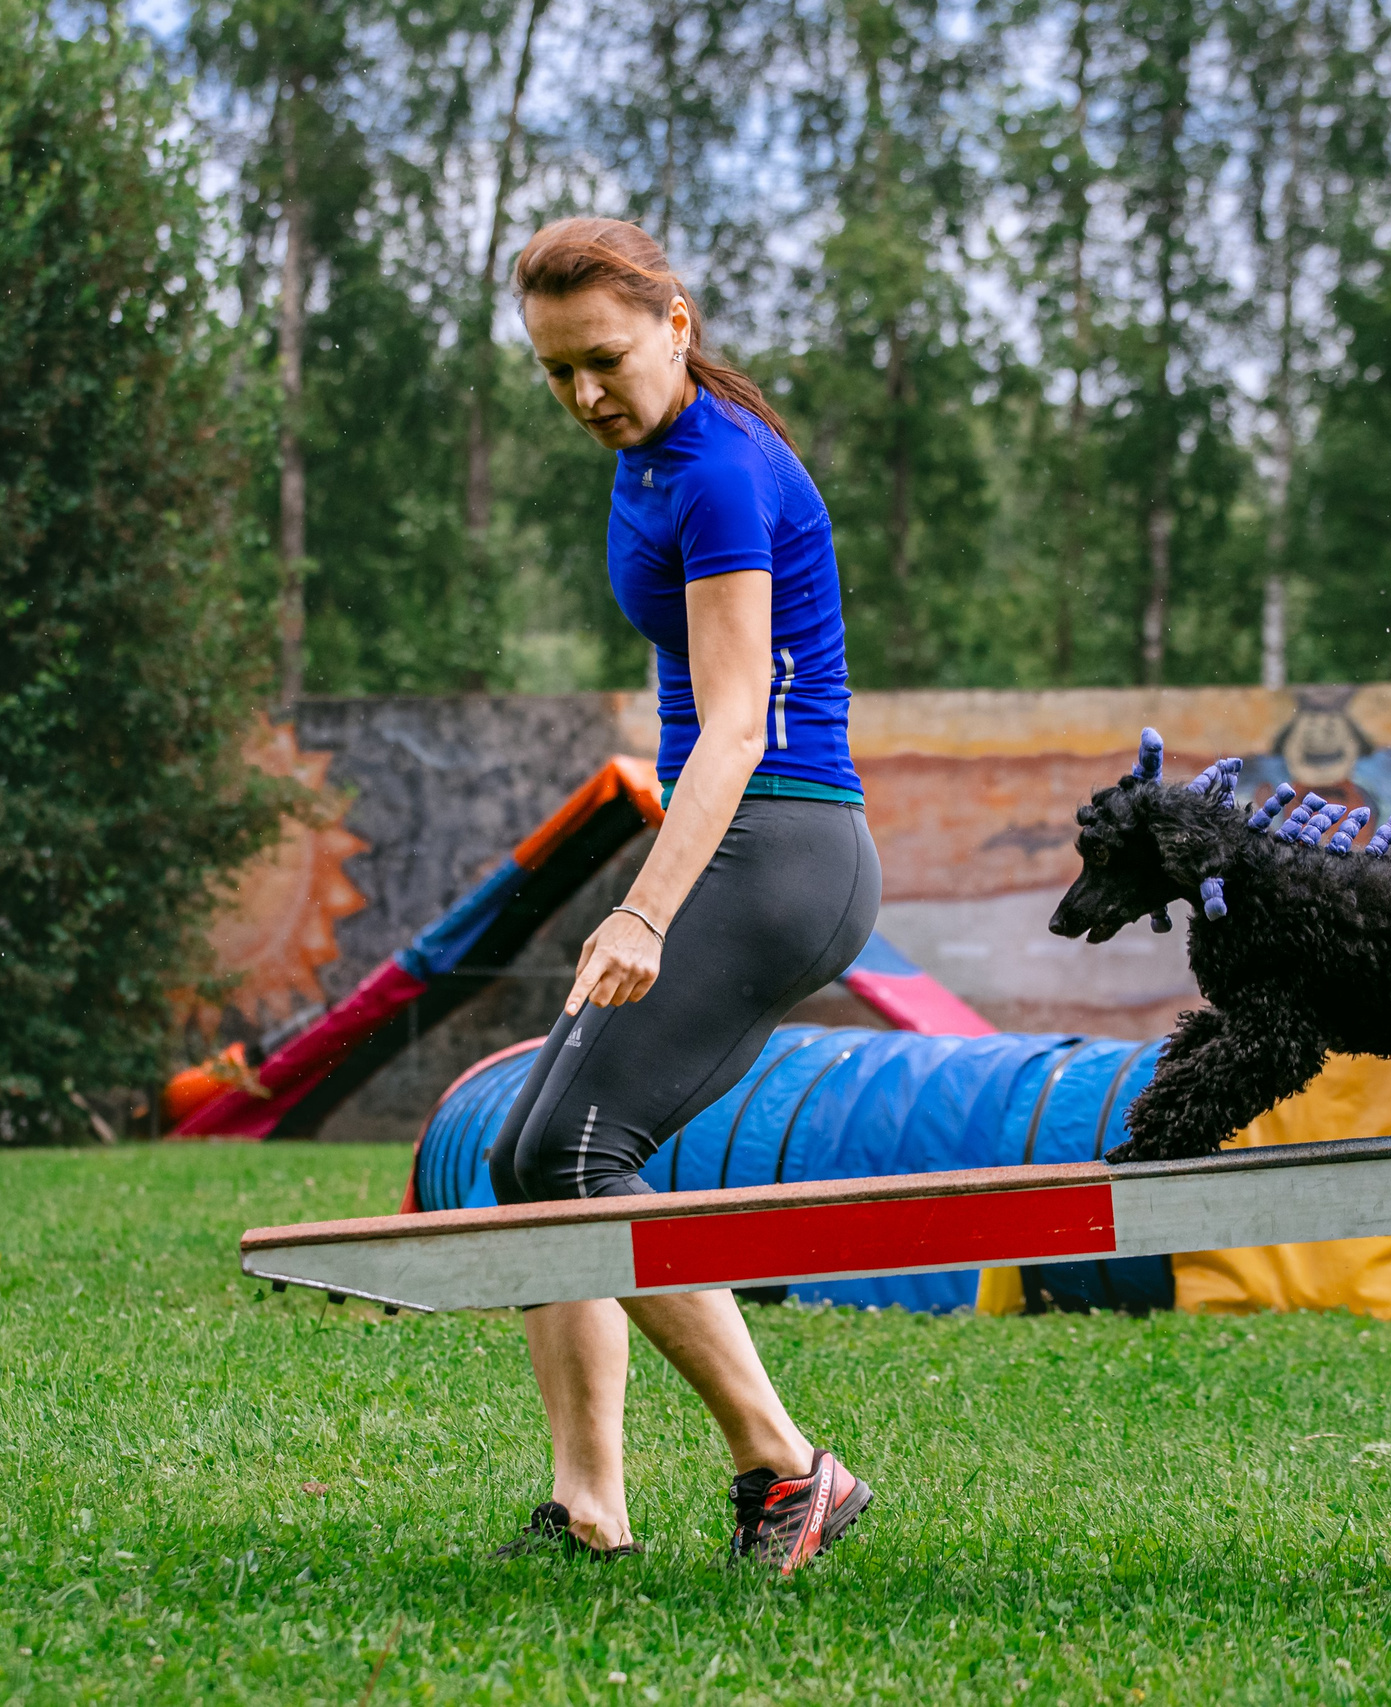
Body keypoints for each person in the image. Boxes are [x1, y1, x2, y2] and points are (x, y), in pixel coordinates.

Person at [485, 217, 882, 1572]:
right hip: (740, 841)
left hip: (783, 851)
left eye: (602, 360)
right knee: (528, 1159)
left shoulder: (716, 470)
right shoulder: (650, 456)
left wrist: (644, 909)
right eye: (556, 374)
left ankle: (787, 1467)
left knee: (571, 1156)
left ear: (677, 324)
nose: (586, 394)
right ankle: (589, 1498)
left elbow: (734, 729)